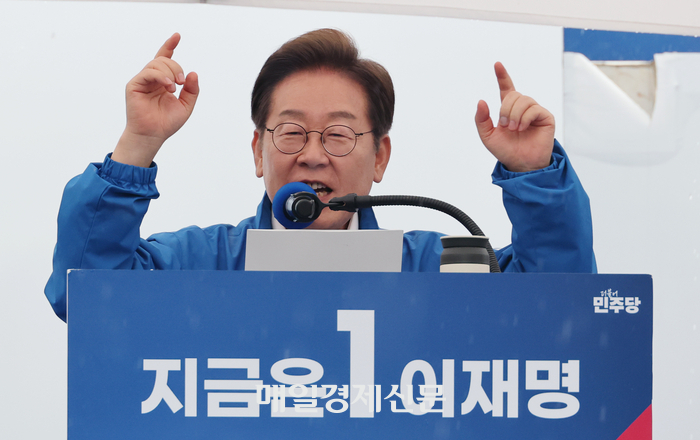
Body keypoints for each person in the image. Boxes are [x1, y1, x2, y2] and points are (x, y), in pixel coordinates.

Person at [45, 29, 596, 322]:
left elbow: (558, 311)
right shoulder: (199, 263)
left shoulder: (437, 269)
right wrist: (138, 144)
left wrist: (535, 174)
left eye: (338, 134)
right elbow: (86, 295)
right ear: (258, 152)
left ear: (379, 158)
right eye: (291, 132)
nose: (312, 155)